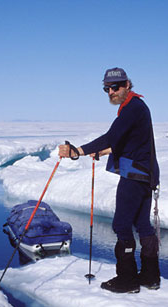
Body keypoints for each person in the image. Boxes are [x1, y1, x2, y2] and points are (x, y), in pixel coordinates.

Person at [58, 67, 160, 293]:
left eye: (115, 87)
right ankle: (151, 277)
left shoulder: (133, 108)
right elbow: (129, 142)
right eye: (107, 88)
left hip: (134, 175)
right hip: (145, 174)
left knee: (121, 225)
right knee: (142, 224)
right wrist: (104, 152)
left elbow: (111, 137)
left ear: (127, 85)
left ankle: (127, 280)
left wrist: (78, 151)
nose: (111, 92)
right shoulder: (135, 107)